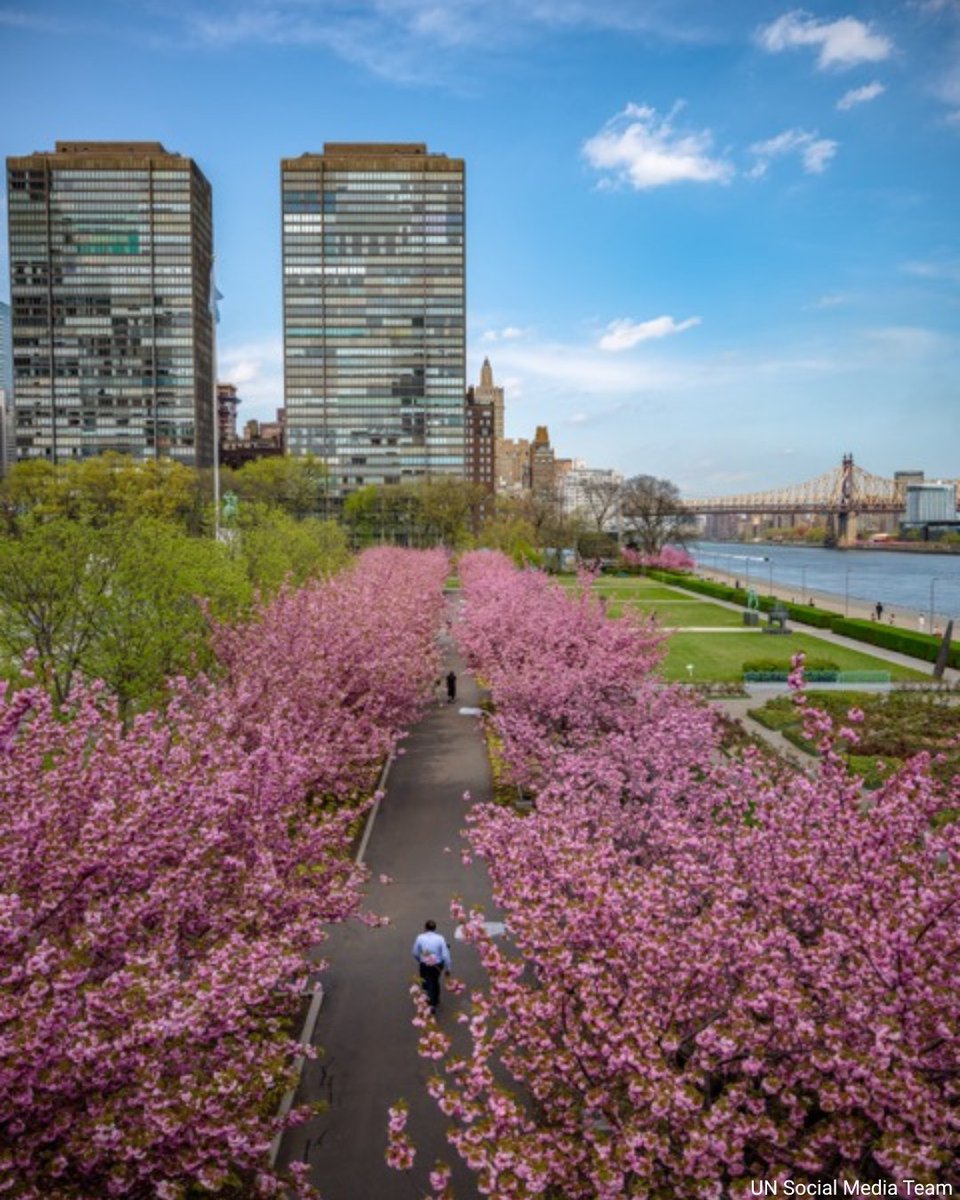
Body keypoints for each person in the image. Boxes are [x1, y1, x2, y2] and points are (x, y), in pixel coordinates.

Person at [412, 920, 451, 1010]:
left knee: (427, 982)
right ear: (435, 928)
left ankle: (431, 1003)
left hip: (425, 964)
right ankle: (436, 999)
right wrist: (448, 968)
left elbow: (415, 952)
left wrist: (420, 960)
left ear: (425, 928)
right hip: (437, 965)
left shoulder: (420, 938)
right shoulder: (440, 938)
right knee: (434, 981)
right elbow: (446, 955)